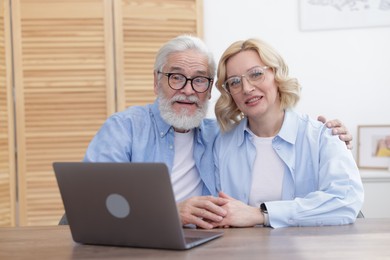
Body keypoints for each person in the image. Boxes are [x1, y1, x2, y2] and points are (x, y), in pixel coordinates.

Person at [59, 35, 354, 229]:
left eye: (199, 80)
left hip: (211, 245)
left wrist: (334, 139)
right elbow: (90, 205)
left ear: (210, 89)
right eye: (176, 77)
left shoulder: (220, 135)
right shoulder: (124, 129)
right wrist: (168, 213)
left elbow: (343, 198)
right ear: (156, 81)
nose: (187, 91)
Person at [212, 38, 364, 229]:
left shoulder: (323, 136)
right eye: (234, 82)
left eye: (256, 74)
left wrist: (261, 214)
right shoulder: (221, 144)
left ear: (277, 74)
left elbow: (346, 202)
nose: (247, 88)